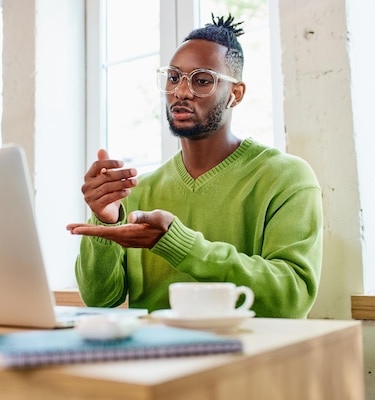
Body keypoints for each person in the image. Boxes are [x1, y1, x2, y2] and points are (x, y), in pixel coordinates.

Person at [66, 14, 323, 318]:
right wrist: (105, 220)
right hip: (152, 360)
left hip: (246, 358)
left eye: (202, 81)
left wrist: (178, 243)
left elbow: (291, 297)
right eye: (174, 77)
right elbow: (100, 299)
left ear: (235, 95)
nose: (182, 91)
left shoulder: (286, 177)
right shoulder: (137, 191)